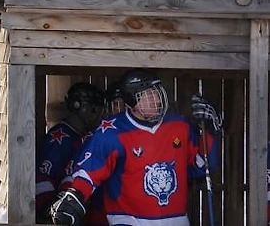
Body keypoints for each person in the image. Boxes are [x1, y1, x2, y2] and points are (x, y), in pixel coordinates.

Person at [50, 68, 222, 225]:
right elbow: (90, 171)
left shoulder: (179, 126)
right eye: (147, 95)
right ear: (132, 101)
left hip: (176, 220)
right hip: (129, 221)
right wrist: (75, 196)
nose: (155, 99)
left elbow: (202, 166)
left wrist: (210, 131)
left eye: (156, 92)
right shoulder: (112, 131)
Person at [35, 82, 105, 223]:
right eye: (94, 108)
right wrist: (50, 209)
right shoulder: (60, 139)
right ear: (80, 107)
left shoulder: (81, 136)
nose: (98, 114)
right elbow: (42, 177)